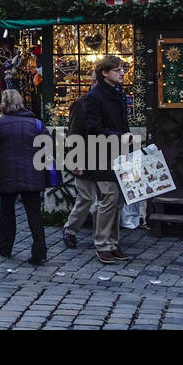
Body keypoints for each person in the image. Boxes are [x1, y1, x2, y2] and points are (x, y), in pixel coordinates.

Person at [61, 55, 133, 264]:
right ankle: (102, 244)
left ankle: (112, 242)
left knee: (117, 200)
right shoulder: (92, 98)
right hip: (100, 155)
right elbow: (91, 129)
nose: (122, 72)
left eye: (122, 69)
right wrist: (76, 160)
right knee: (106, 198)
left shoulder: (117, 95)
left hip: (117, 155)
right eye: (117, 69)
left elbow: (121, 125)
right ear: (104, 73)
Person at [0, 88, 49, 264]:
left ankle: (6, 247)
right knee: (34, 213)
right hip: (32, 172)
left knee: (7, 212)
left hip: (6, 172)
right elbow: (47, 148)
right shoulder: (36, 124)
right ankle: (40, 250)